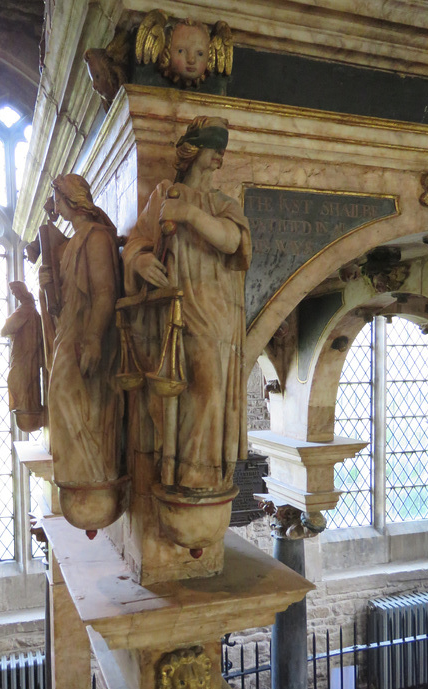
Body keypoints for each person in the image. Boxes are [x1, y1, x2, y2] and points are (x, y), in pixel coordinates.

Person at [122, 116, 251, 494]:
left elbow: (232, 242)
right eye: (214, 150)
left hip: (215, 310)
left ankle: (201, 473)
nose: (218, 160)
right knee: (175, 389)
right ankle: (174, 465)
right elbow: (136, 242)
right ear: (194, 152)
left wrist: (192, 216)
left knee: (209, 385)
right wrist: (141, 261)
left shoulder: (221, 203)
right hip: (171, 311)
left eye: (221, 153)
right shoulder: (164, 194)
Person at [47, 174, 122, 491]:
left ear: (69, 200)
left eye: (57, 199)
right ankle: (81, 471)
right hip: (69, 332)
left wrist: (93, 339)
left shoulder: (95, 237)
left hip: (85, 336)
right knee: (62, 398)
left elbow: (105, 292)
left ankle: (93, 469)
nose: (55, 206)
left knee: (71, 397)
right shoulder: (71, 242)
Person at [0, 281, 44, 432]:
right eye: (13, 294)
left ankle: (27, 406)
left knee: (18, 378)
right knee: (21, 379)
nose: (16, 295)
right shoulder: (27, 308)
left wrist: (8, 326)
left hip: (25, 353)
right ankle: (26, 405)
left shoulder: (26, 308)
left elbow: (7, 328)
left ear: (22, 291)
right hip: (22, 352)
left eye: (16, 292)